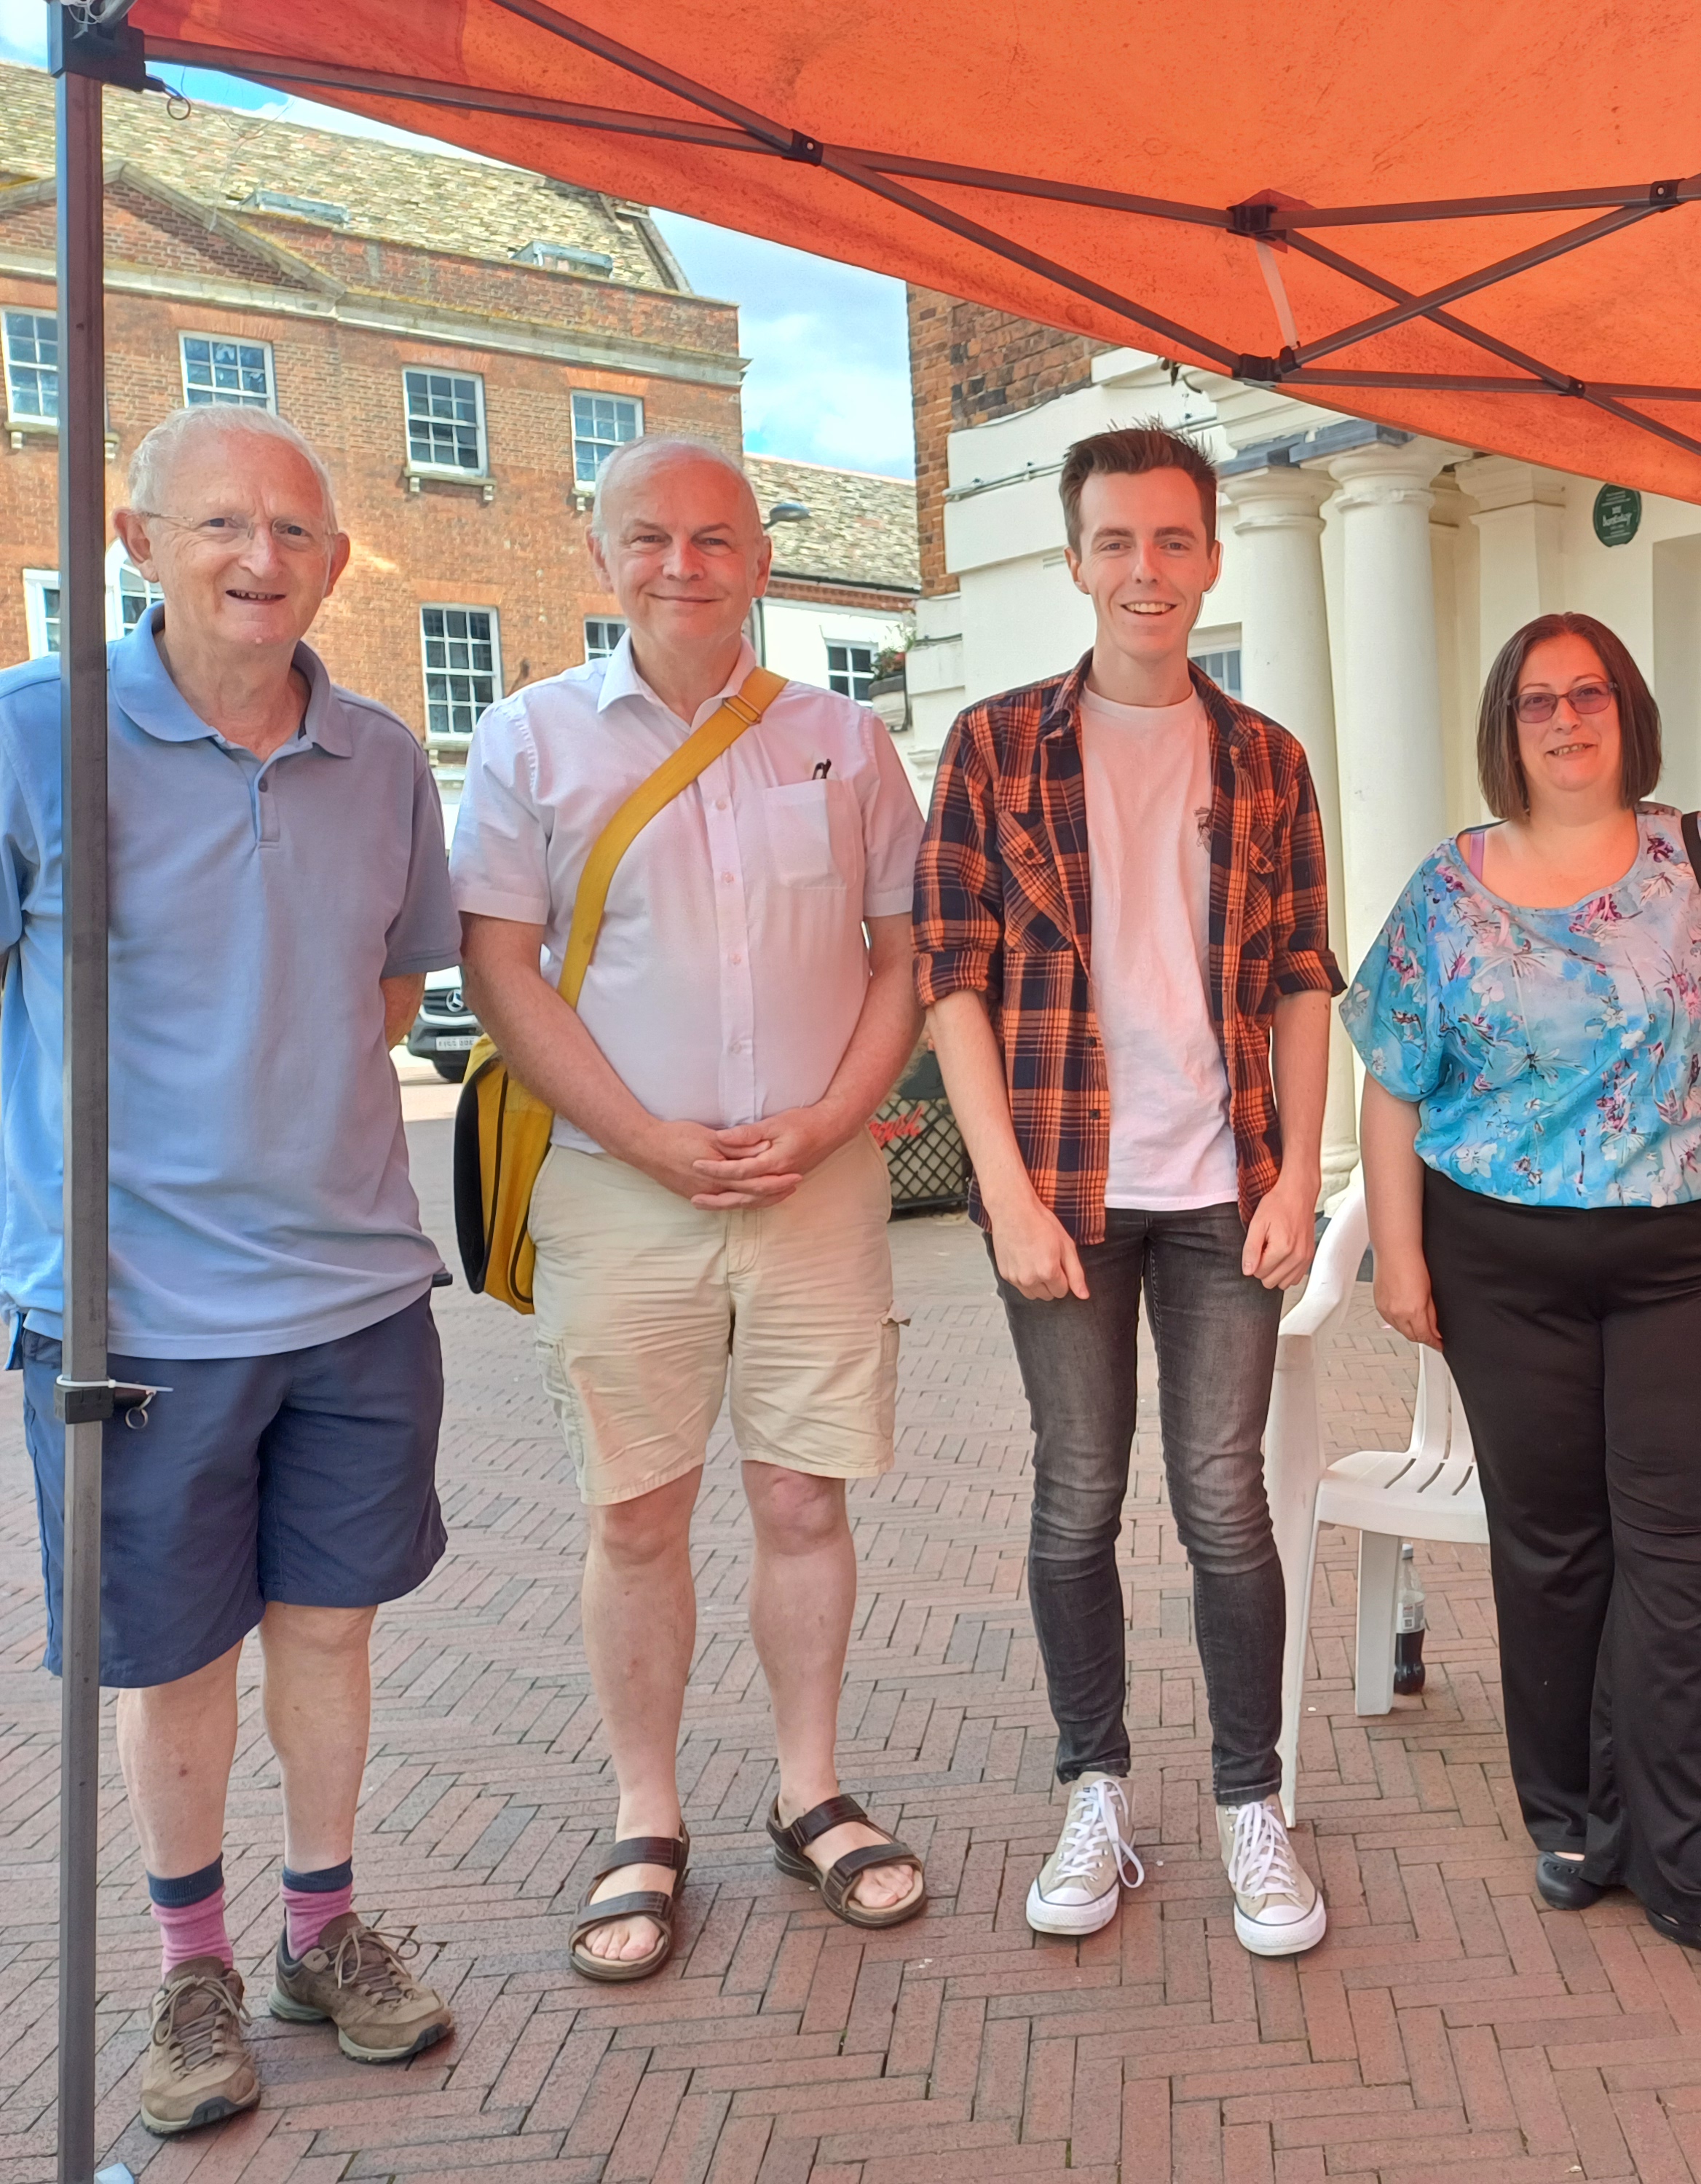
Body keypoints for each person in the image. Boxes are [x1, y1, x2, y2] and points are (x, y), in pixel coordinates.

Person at [0, 405, 457, 2135]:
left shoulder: (387, 759)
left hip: (351, 1297)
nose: (258, 558)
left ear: (336, 562)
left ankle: (318, 1934)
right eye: (217, 526)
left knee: (327, 1636)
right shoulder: (40, 741)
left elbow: (394, 994)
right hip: (131, 1318)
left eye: (292, 530)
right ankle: (193, 1967)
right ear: (136, 543)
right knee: (175, 1657)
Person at [455, 436, 930, 1982]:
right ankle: (643, 1814)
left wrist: (834, 1115)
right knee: (635, 1509)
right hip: (618, 1189)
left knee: (804, 1497)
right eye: (649, 538)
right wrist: (650, 1138)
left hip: (816, 1185)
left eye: (714, 538)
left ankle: (811, 1788)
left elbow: (903, 954)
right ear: (601, 556)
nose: (683, 565)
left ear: (760, 560)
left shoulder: (843, 742)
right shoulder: (528, 739)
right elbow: (500, 971)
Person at [1345, 611, 1701, 2002]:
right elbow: (1392, 1077)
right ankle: (1575, 1822)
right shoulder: (1447, 892)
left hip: (1698, 1247)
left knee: (1686, 1556)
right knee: (1552, 1549)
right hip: (1504, 1257)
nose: (1566, 720)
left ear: (1630, 712)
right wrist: (1399, 1254)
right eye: (1539, 702)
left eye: (1592, 695)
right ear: (1507, 725)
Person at [917, 423, 1338, 1958]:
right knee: (1075, 1493)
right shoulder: (993, 747)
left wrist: (1295, 1167)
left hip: (1225, 1183)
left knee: (1223, 1501)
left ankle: (1248, 1802)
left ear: (1210, 556)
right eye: (1115, 542)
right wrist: (1008, 1193)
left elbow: (1302, 978)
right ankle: (1092, 1786)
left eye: (1172, 541)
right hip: (1065, 1187)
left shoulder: (1266, 758)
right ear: (1076, 557)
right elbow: (947, 982)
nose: (1144, 571)